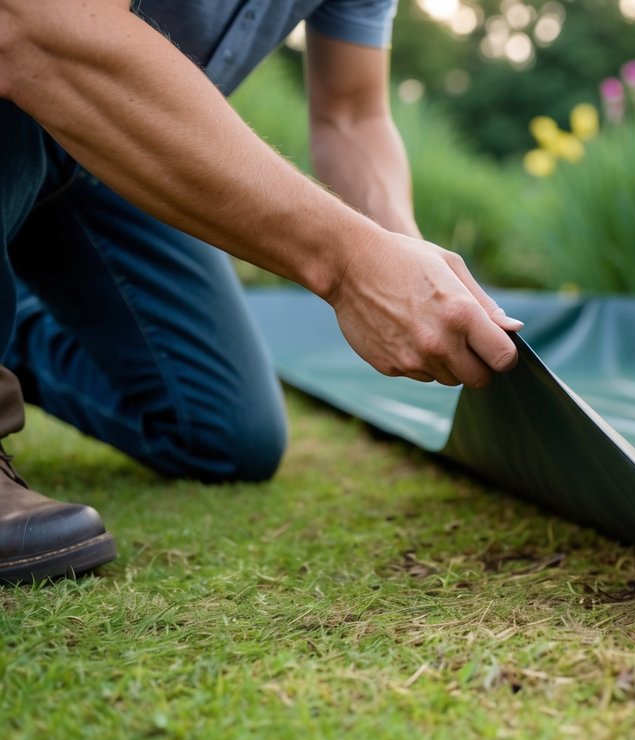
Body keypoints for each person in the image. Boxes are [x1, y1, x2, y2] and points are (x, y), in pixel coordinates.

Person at [0, 0, 523, 583]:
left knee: (224, 431)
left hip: (108, 153)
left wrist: (412, 265)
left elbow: (351, 115)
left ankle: (8, 326)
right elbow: (37, 22)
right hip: (26, 83)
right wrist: (351, 263)